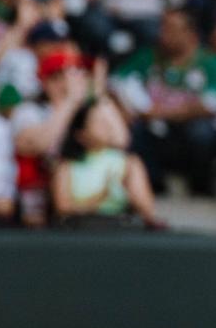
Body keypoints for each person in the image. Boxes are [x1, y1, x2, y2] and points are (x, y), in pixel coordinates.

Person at [111, 6, 216, 197]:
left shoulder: (210, 62)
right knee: (134, 130)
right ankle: (153, 187)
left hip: (189, 136)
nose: (163, 34)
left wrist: (160, 113)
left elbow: (212, 104)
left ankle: (201, 187)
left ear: (191, 34)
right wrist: (126, 110)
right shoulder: (148, 56)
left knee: (202, 133)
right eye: (163, 27)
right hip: (155, 134)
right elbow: (116, 83)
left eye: (171, 28)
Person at [50, 98, 161, 230]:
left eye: (107, 121)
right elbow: (63, 207)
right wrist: (98, 199)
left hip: (117, 230)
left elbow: (147, 210)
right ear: (81, 134)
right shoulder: (66, 166)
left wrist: (132, 193)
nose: (106, 126)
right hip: (78, 230)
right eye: (97, 122)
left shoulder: (129, 163)